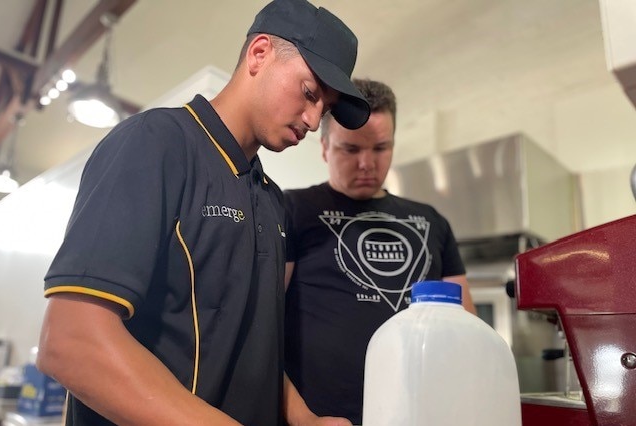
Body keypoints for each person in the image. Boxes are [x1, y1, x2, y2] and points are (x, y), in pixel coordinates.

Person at [35, 0, 370, 424]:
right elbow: (71, 342)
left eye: (326, 107)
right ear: (260, 53)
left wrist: (306, 419)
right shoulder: (155, 144)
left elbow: (250, 347)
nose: (314, 117)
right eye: (309, 93)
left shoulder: (271, 200)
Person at [283, 78, 476, 425]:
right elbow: (261, 329)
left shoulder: (432, 222)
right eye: (351, 149)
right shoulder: (291, 209)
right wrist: (302, 419)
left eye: (380, 148)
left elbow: (467, 331)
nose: (367, 164)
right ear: (325, 146)